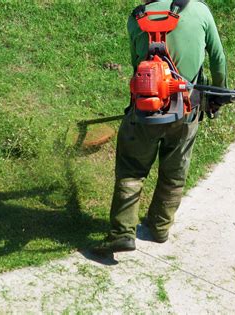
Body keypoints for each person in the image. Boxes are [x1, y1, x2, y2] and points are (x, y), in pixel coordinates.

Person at [93, 0, 227, 255]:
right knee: (175, 171)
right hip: (186, 112)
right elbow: (218, 59)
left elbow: (137, 65)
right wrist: (218, 97)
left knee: (131, 170)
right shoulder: (199, 11)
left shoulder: (136, 18)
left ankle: (122, 233)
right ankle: (160, 227)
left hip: (144, 112)